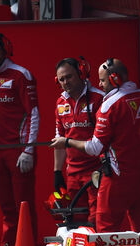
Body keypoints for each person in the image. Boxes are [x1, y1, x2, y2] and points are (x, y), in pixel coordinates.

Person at [50, 58, 140, 232]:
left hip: (115, 177)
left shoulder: (107, 104)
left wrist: (68, 142)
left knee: (104, 229)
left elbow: (95, 147)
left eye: (102, 80)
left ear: (115, 79)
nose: (99, 84)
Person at [0, 32, 39, 246]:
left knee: (23, 205)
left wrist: (29, 150)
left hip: (19, 150)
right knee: (6, 206)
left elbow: (34, 114)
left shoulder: (21, 75)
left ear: (5, 49)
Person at [53, 57, 105, 225]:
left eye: (69, 76)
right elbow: (59, 141)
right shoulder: (60, 103)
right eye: (61, 79)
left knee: (96, 219)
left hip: (97, 171)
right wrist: (57, 172)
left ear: (81, 73)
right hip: (72, 173)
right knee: (74, 219)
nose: (65, 82)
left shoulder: (99, 98)